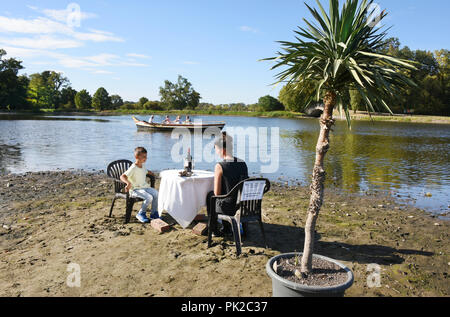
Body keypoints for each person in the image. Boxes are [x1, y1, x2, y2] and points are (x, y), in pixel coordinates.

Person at [206, 132, 248, 236]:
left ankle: (214, 230)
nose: (216, 152)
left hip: (229, 207)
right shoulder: (243, 163)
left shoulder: (220, 166)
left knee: (210, 196)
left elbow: (217, 193)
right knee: (226, 196)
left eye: (216, 149)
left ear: (222, 150)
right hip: (242, 205)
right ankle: (227, 227)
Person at [120, 147, 159, 223]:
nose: (146, 158)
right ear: (137, 157)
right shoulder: (133, 167)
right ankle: (141, 213)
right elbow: (122, 176)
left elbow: (145, 171)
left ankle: (153, 213)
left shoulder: (143, 165)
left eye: (146, 156)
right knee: (149, 197)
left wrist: (150, 173)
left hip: (144, 187)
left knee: (156, 193)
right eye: (143, 157)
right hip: (135, 189)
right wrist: (128, 183)